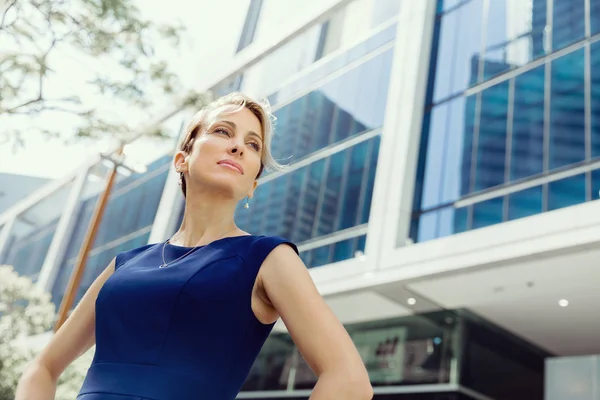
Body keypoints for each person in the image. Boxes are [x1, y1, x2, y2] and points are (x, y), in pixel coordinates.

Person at [15, 92, 373, 400]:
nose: (238, 146)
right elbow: (42, 368)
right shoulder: (125, 264)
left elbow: (349, 381)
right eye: (222, 131)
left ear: (253, 186)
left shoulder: (268, 259)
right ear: (181, 159)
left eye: (253, 145)